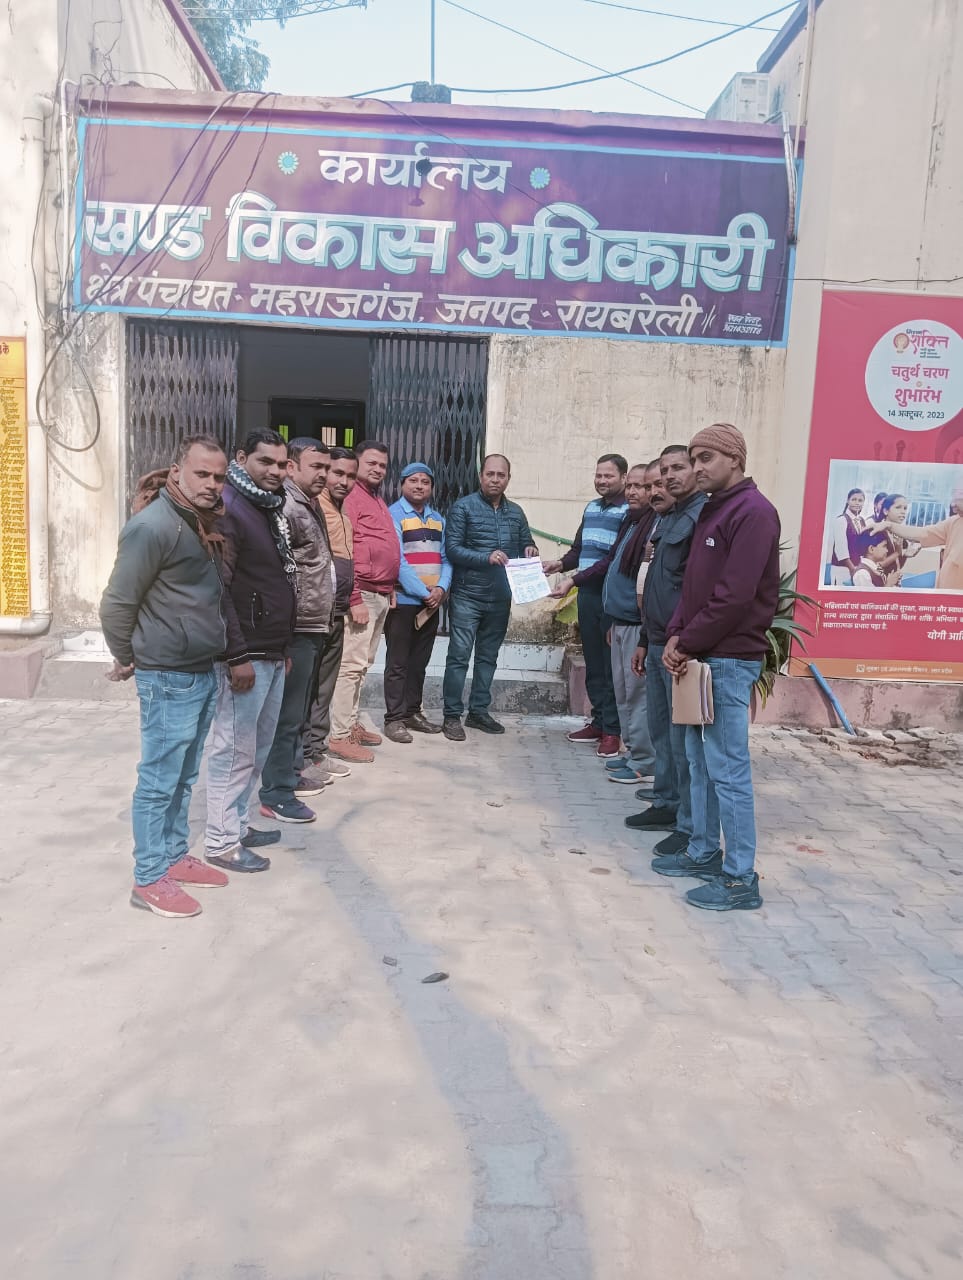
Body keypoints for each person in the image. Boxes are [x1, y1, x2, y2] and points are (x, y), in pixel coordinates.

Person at [100, 437, 232, 919]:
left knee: (185, 774)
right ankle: (149, 876)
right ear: (177, 471)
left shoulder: (197, 521)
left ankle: (175, 855)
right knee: (159, 779)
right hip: (167, 675)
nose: (212, 484)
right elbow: (117, 603)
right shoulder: (152, 526)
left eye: (219, 477)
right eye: (202, 474)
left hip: (199, 669)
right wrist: (127, 656)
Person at [659, 423, 780, 913]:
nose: (697, 467)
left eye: (706, 457)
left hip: (728, 661)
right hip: (700, 658)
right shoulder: (715, 509)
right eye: (694, 458)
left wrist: (687, 641)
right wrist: (676, 634)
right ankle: (704, 850)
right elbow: (694, 588)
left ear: (735, 459)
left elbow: (734, 597)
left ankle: (740, 877)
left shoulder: (754, 513)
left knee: (728, 770)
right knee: (699, 762)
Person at [204, 430, 296, 874]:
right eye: (266, 462)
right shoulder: (233, 510)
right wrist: (236, 656)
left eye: (281, 464)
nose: (276, 471)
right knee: (234, 751)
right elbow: (220, 590)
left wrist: (282, 648)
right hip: (247, 656)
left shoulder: (267, 508)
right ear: (242, 459)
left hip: (271, 650)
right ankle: (221, 842)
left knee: (256, 749)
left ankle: (238, 825)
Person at [627, 445, 709, 848]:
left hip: (680, 649)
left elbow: (697, 590)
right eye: (664, 471)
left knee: (683, 742)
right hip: (658, 640)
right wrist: (645, 640)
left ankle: (687, 823)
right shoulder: (669, 518)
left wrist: (684, 641)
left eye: (678, 468)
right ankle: (665, 801)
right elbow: (657, 584)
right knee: (661, 732)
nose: (669, 477)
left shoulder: (701, 518)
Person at [258, 438, 336, 823]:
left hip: (314, 623)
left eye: (326, 468)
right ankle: (276, 793)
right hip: (297, 627)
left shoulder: (309, 503)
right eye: (315, 467)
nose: (323, 474)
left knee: (298, 709)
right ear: (292, 467)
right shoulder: (287, 506)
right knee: (286, 715)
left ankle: (289, 773)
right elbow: (281, 572)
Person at [442, 453, 539, 739]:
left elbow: (526, 542)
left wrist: (531, 549)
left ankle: (478, 712)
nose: (495, 479)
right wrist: (486, 557)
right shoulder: (463, 508)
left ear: (508, 478)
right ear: (481, 476)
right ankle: (451, 716)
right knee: (459, 657)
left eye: (501, 475)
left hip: (500, 598)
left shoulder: (516, 512)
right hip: (467, 596)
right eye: (490, 474)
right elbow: (453, 549)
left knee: (488, 657)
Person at [545, 455, 629, 759]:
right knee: (593, 660)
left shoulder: (629, 511)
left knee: (610, 664)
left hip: (610, 595)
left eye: (609, 476)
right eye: (598, 475)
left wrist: (573, 580)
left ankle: (613, 731)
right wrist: (559, 564)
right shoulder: (592, 507)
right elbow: (579, 550)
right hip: (588, 596)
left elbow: (613, 560)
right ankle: (598, 722)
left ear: (623, 477)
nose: (602, 481)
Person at [328, 440, 401, 762]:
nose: (378, 469)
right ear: (357, 464)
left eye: (382, 465)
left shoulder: (376, 498)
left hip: (380, 592)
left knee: (363, 665)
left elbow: (379, 546)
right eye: (371, 463)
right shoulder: (352, 498)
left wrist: (390, 585)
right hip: (362, 596)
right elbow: (347, 549)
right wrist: (354, 596)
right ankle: (339, 735)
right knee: (351, 666)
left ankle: (350, 723)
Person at [383, 462, 452, 742]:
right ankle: (394, 719)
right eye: (413, 480)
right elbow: (397, 560)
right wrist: (424, 592)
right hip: (403, 601)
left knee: (419, 662)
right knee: (398, 662)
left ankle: (412, 712)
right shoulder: (393, 515)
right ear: (402, 484)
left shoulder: (438, 519)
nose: (419, 486)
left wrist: (441, 588)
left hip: (431, 605)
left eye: (425, 481)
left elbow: (446, 559)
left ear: (432, 487)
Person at [599, 462, 658, 785]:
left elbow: (647, 585)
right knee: (623, 694)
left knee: (638, 696)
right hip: (620, 622)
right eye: (632, 486)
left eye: (642, 486)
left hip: (638, 626)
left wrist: (644, 634)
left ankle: (645, 762)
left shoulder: (654, 525)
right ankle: (634, 752)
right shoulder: (632, 523)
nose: (634, 492)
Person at [303, 447, 360, 768]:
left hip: (336, 613)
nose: (343, 481)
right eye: (337, 473)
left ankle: (315, 750)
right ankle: (302, 756)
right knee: (307, 689)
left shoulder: (342, 511)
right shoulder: (314, 508)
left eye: (350, 475)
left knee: (324, 687)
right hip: (314, 615)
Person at [883, 487, 963, 590]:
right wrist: (889, 526)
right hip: (944, 593)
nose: (952, 506)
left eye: (958, 499)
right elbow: (923, 533)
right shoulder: (954, 522)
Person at [875, 493, 921, 583]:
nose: (903, 512)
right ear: (886, 511)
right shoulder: (878, 532)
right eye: (898, 507)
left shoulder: (899, 533)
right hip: (881, 584)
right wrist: (897, 553)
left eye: (905, 508)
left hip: (894, 582)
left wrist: (905, 556)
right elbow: (876, 566)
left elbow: (896, 565)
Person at [829, 489, 865, 586]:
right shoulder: (841, 520)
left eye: (860, 500)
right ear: (847, 501)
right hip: (842, 569)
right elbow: (841, 550)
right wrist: (852, 569)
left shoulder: (861, 521)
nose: (857, 503)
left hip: (857, 568)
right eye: (854, 499)